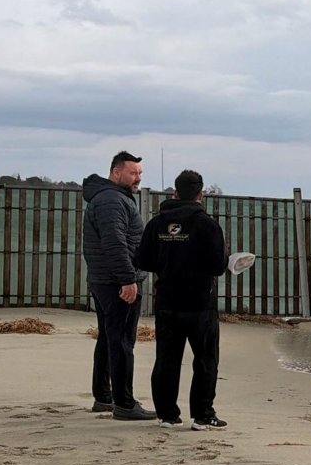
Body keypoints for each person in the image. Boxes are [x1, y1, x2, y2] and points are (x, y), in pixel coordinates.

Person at [137, 169, 229, 430]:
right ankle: (202, 415)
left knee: (167, 358)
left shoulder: (157, 223)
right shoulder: (208, 225)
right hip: (200, 303)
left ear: (175, 192)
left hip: (167, 301)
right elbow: (217, 266)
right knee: (205, 359)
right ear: (201, 195)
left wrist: (167, 261)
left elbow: (143, 260)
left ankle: (166, 414)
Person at [82, 151, 157, 420]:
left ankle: (104, 397)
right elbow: (114, 242)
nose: (137, 178)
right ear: (116, 173)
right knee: (122, 341)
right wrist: (128, 279)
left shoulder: (110, 198)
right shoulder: (113, 200)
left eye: (139, 173)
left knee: (108, 338)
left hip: (104, 279)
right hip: (116, 282)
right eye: (132, 173)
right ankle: (124, 403)